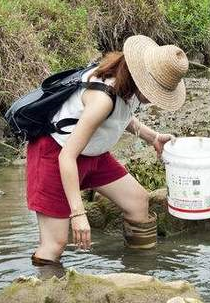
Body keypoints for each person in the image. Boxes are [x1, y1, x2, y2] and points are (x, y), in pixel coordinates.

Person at [27, 35, 189, 267]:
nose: (154, 99)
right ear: (141, 78)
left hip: (94, 153)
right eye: (155, 92)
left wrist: (152, 136)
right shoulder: (102, 98)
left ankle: (138, 271)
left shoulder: (127, 83)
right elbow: (67, 156)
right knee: (55, 244)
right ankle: (40, 289)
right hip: (55, 155)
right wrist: (78, 213)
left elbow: (122, 115)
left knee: (138, 202)